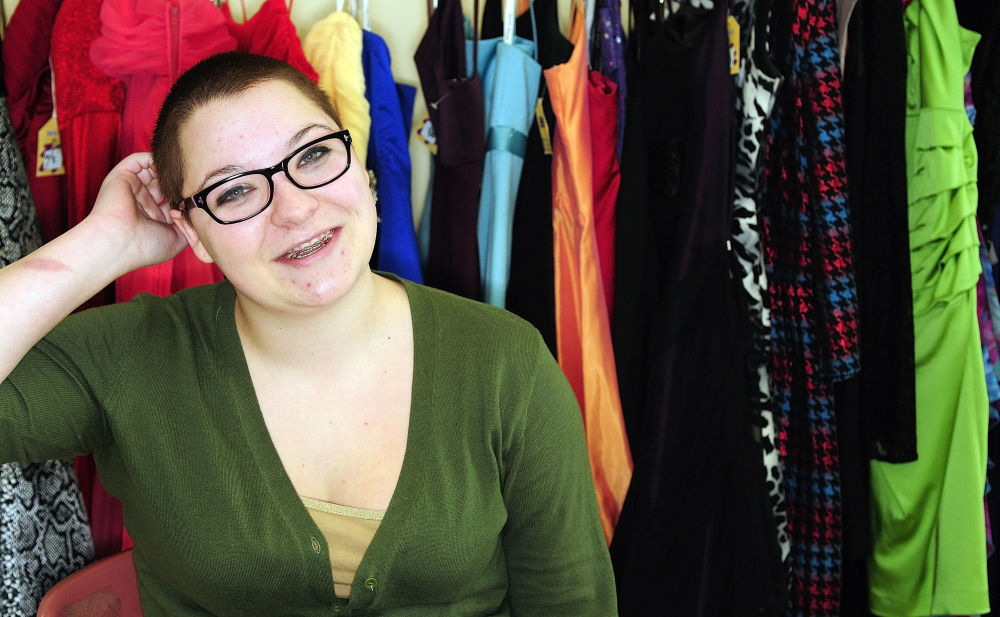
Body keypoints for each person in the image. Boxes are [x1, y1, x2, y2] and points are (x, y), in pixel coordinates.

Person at [0, 52, 617, 616]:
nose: (295, 209)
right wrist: (100, 245)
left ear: (360, 162)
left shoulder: (504, 361)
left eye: (314, 155)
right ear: (193, 232)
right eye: (236, 190)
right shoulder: (130, 356)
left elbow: (572, 603)